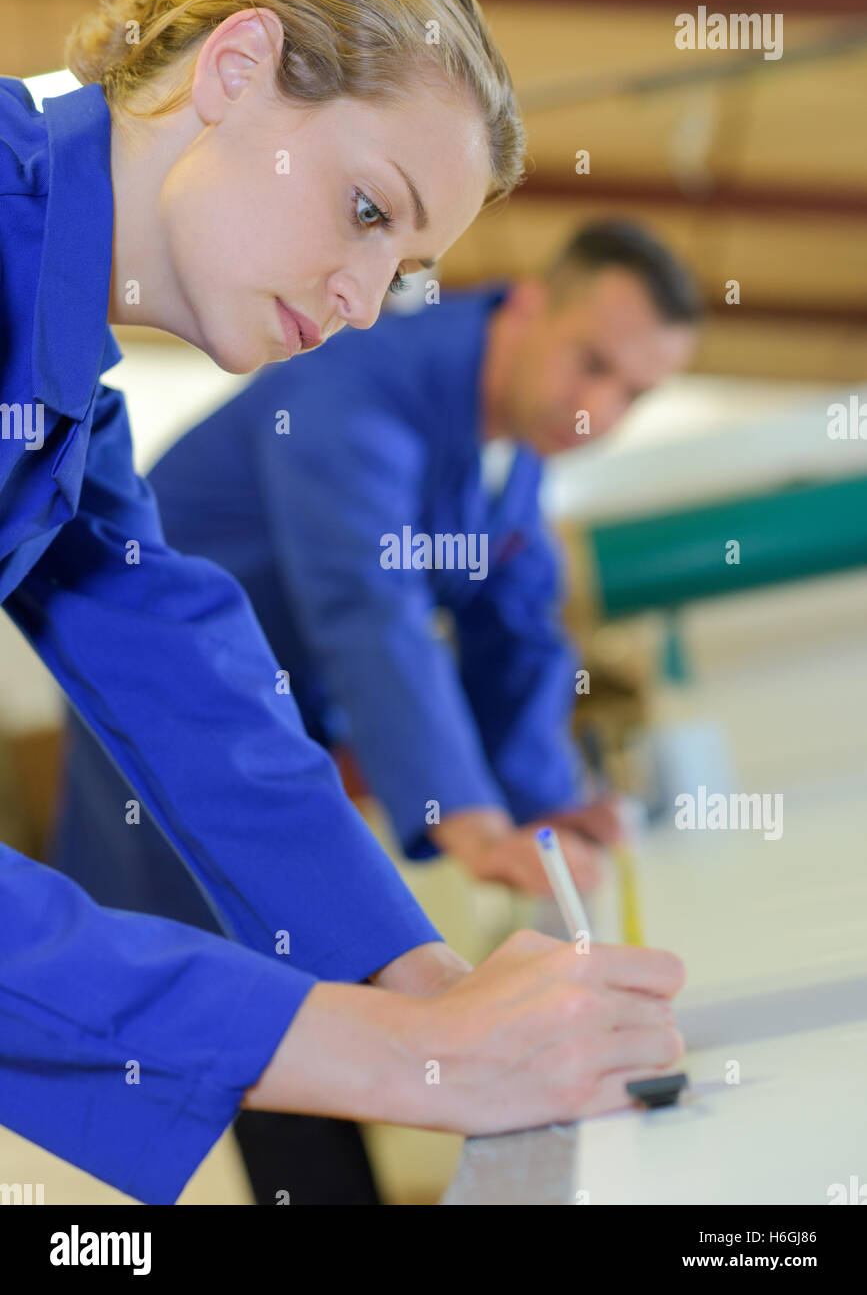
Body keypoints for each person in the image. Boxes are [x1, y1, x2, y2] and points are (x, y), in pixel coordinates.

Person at [0, 0, 685, 1207]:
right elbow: (358, 603)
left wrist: (421, 980)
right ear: (235, 66)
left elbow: (181, 666)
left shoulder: (65, 374)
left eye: (404, 262)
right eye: (366, 209)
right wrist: (402, 1052)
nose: (364, 299)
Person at [55, 217, 700, 1201]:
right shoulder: (356, 381)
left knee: (338, 974)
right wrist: (468, 815)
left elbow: (515, 625)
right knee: (242, 995)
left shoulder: (508, 449)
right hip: (168, 733)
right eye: (593, 364)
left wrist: (542, 801)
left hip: (281, 728)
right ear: (528, 304)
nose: (597, 411)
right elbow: (370, 603)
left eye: (635, 394)